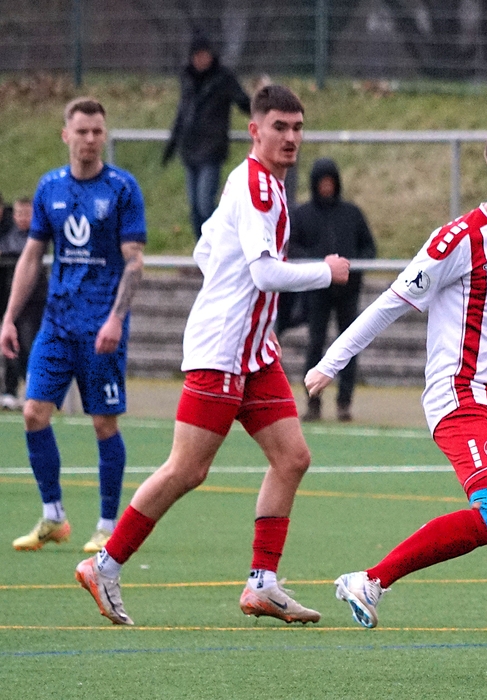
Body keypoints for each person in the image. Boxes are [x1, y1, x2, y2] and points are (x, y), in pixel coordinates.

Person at [305, 120, 487, 682]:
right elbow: (391, 302)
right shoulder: (456, 241)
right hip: (461, 400)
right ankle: (370, 582)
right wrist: (330, 362)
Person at [75, 85, 351, 626]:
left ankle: (262, 583)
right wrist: (327, 271)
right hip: (222, 351)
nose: (290, 137)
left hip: (254, 353)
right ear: (255, 130)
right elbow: (264, 272)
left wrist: (246, 309)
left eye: (297, 127)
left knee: (292, 458)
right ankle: (104, 564)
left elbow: (207, 244)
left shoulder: (257, 182)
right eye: (279, 127)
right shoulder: (258, 187)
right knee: (188, 468)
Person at [2, 98, 146, 554]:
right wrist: (9, 316)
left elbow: (134, 262)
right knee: (32, 413)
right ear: (66, 135)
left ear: (104, 135)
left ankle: (107, 524)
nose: (90, 139)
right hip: (57, 323)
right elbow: (32, 255)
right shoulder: (50, 187)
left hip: (102, 326)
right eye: (82, 131)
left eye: (97, 131)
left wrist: (116, 319)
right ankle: (53, 516)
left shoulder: (122, 188)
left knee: (103, 422)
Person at [286, 158, 376, 422]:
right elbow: (292, 248)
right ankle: (313, 401)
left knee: (349, 344)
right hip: (317, 291)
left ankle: (344, 403)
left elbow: (369, 247)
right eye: (322, 182)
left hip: (348, 290)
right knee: (315, 343)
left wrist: (352, 267)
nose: (326, 187)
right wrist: (319, 266)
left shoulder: (352, 213)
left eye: (330, 182)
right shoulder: (303, 215)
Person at [163, 34, 251, 241]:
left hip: (211, 150)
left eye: (205, 54)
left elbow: (243, 101)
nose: (201, 59)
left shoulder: (223, 78)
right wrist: (172, 144)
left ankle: (217, 245)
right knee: (194, 207)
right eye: (197, 55)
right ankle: (202, 248)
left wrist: (264, 115)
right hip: (189, 149)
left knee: (205, 204)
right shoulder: (187, 78)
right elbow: (182, 113)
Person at [0, 197, 47, 410]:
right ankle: (10, 391)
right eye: (19, 213)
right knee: (10, 348)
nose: (22, 218)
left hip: (33, 303)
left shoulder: (37, 237)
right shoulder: (8, 234)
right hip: (11, 303)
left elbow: (30, 254)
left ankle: (33, 390)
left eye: (27, 214)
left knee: (30, 346)